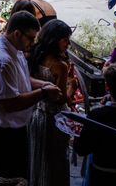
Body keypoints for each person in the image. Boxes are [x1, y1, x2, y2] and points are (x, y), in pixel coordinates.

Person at [0, 11, 61, 179]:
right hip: (1, 130)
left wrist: (42, 83)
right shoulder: (2, 60)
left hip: (8, 124)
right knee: (6, 176)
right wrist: (43, 92)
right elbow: (10, 104)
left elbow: (21, 77)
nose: (33, 43)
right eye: (30, 38)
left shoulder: (15, 46)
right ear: (17, 33)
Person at [27, 19, 74, 186]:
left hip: (36, 115)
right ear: (55, 40)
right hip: (55, 120)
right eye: (65, 39)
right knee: (55, 162)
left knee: (37, 158)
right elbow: (59, 98)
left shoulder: (33, 55)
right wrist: (71, 88)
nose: (68, 43)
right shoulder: (60, 65)